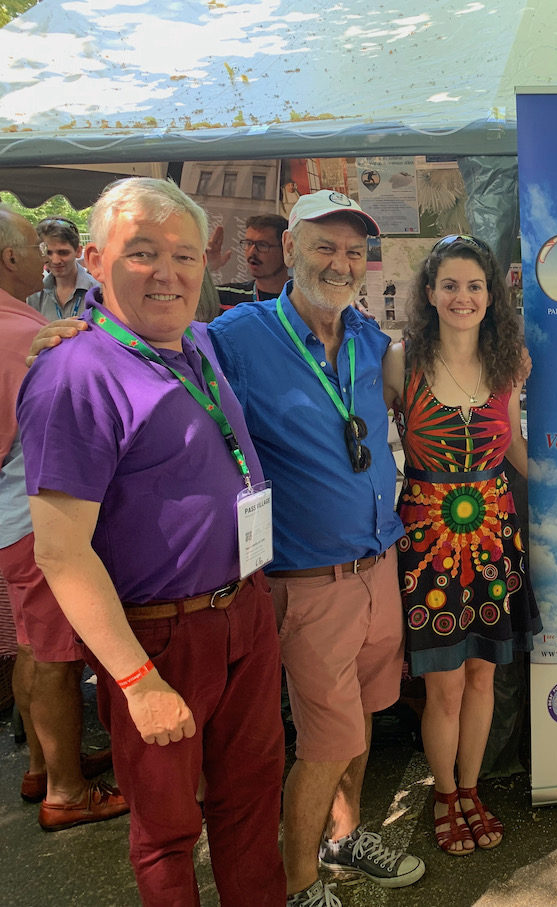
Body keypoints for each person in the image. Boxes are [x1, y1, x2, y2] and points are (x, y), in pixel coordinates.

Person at [17, 178, 284, 901]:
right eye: (143, 253)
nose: (167, 272)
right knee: (168, 831)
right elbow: (60, 552)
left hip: (244, 613)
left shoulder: (196, 341)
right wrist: (137, 682)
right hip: (162, 638)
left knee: (254, 802)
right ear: (97, 260)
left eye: (184, 255)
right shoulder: (75, 373)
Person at [207, 192, 424, 905]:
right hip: (308, 579)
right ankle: (299, 884)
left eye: (354, 251)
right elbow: (162, 356)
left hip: (377, 562)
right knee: (324, 741)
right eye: (326, 246)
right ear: (293, 247)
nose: (341, 262)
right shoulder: (239, 335)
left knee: (362, 717)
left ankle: (344, 835)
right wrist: (80, 333)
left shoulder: (366, 339)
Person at [389, 234, 539, 856]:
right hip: (429, 544)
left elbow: (510, 449)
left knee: (484, 676)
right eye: (449, 285)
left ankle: (472, 788)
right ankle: (445, 794)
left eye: (474, 285)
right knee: (445, 685)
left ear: (491, 295)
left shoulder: (509, 363)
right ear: (429, 293)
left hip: (494, 538)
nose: (463, 296)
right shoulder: (401, 362)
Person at [0, 205, 124, 830]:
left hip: (12, 520)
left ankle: (47, 766)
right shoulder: (26, 335)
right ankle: (66, 792)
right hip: (34, 520)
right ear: (10, 258)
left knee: (32, 643)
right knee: (56, 654)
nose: (40, 257)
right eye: (30, 246)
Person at [207, 214, 289, 309]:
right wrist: (207, 268)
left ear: (286, 249)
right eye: (249, 243)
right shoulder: (226, 297)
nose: (252, 252)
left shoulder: (302, 300)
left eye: (262, 245)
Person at [25, 216, 96, 320]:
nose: (55, 260)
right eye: (48, 253)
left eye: (63, 252)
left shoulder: (98, 291)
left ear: (78, 251)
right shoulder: (34, 295)